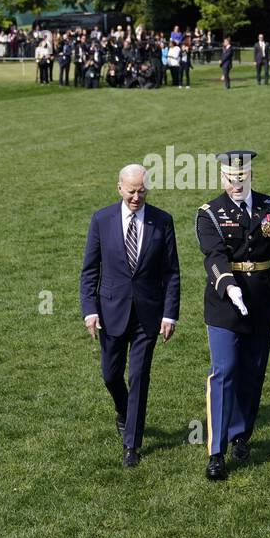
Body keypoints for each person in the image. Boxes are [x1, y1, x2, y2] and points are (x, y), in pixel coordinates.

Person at [195, 150, 270, 481]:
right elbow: (214, 254)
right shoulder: (210, 213)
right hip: (224, 305)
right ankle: (216, 452)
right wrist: (229, 286)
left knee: (252, 373)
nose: (235, 184)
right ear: (221, 177)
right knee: (224, 371)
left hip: (262, 301)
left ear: (250, 175)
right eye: (229, 178)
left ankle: (241, 434)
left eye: (242, 177)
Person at [79, 164, 181, 468]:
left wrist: (170, 314)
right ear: (119, 188)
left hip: (148, 315)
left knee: (138, 376)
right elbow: (89, 271)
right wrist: (90, 311)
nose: (136, 196)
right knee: (110, 375)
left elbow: (172, 273)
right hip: (110, 312)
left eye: (142, 190)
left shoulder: (162, 221)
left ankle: (131, 444)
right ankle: (124, 411)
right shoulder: (102, 220)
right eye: (131, 190)